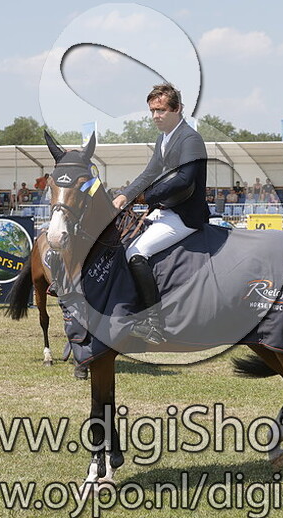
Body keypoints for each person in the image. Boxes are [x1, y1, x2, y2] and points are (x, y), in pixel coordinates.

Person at [112, 83, 209, 345]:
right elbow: (149, 174)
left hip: (185, 214)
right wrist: (124, 195)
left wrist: (146, 197)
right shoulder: (163, 139)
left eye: (161, 110)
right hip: (164, 211)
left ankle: (155, 324)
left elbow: (184, 180)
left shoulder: (190, 139)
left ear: (177, 109)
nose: (156, 116)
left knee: (136, 252)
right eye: (152, 111)